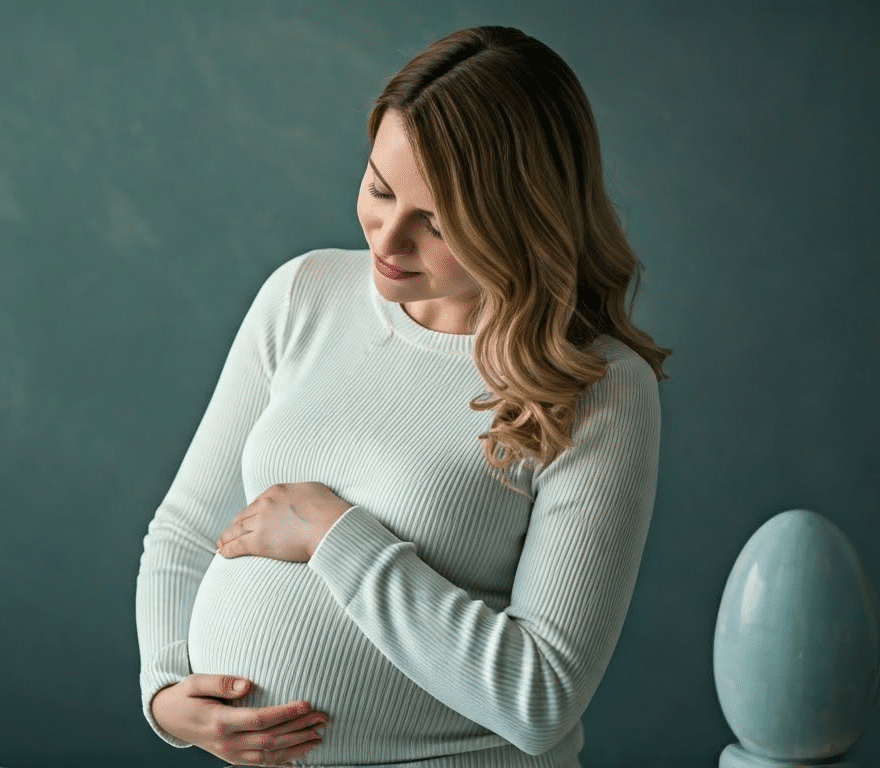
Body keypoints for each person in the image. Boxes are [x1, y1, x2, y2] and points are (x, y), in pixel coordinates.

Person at [135, 25, 670, 768]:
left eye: (437, 223)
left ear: (522, 219)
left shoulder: (598, 388)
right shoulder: (304, 294)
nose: (388, 237)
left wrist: (335, 536)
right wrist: (165, 690)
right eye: (380, 189)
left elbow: (542, 696)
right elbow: (187, 529)